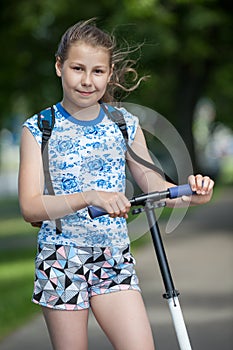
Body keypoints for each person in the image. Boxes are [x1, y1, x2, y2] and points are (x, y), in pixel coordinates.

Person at [18, 19, 214, 350]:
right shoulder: (39, 128)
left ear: (109, 74)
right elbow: (30, 206)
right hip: (61, 259)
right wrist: (89, 196)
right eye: (77, 68)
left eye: (97, 71)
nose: (86, 80)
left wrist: (190, 196)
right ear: (59, 66)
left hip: (113, 259)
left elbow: (153, 184)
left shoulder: (123, 125)